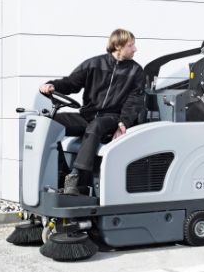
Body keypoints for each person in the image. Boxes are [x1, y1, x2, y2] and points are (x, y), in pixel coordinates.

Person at [39, 29, 145, 195]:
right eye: (131, 45)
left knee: (96, 125)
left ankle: (76, 180)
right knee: (50, 122)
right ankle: (61, 174)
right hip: (87, 116)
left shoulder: (135, 71)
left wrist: (124, 122)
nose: (135, 49)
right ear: (118, 46)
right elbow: (71, 83)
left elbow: (135, 100)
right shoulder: (94, 64)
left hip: (112, 118)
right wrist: (52, 85)